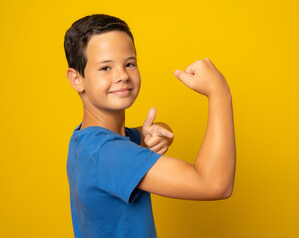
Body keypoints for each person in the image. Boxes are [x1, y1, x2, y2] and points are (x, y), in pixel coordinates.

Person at [64, 14, 236, 238]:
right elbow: (215, 184)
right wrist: (219, 92)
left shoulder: (87, 140)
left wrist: (150, 135)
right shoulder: (109, 154)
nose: (122, 75)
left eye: (129, 64)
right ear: (77, 79)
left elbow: (142, 139)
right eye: (105, 68)